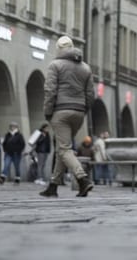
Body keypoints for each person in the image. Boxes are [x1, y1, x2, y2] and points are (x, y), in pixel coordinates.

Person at [40, 35, 94, 198]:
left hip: (60, 111)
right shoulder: (85, 68)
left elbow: (50, 90)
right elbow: (90, 94)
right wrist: (84, 110)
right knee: (61, 149)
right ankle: (53, 185)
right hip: (78, 112)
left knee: (64, 149)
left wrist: (48, 111)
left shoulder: (55, 65)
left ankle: (82, 179)